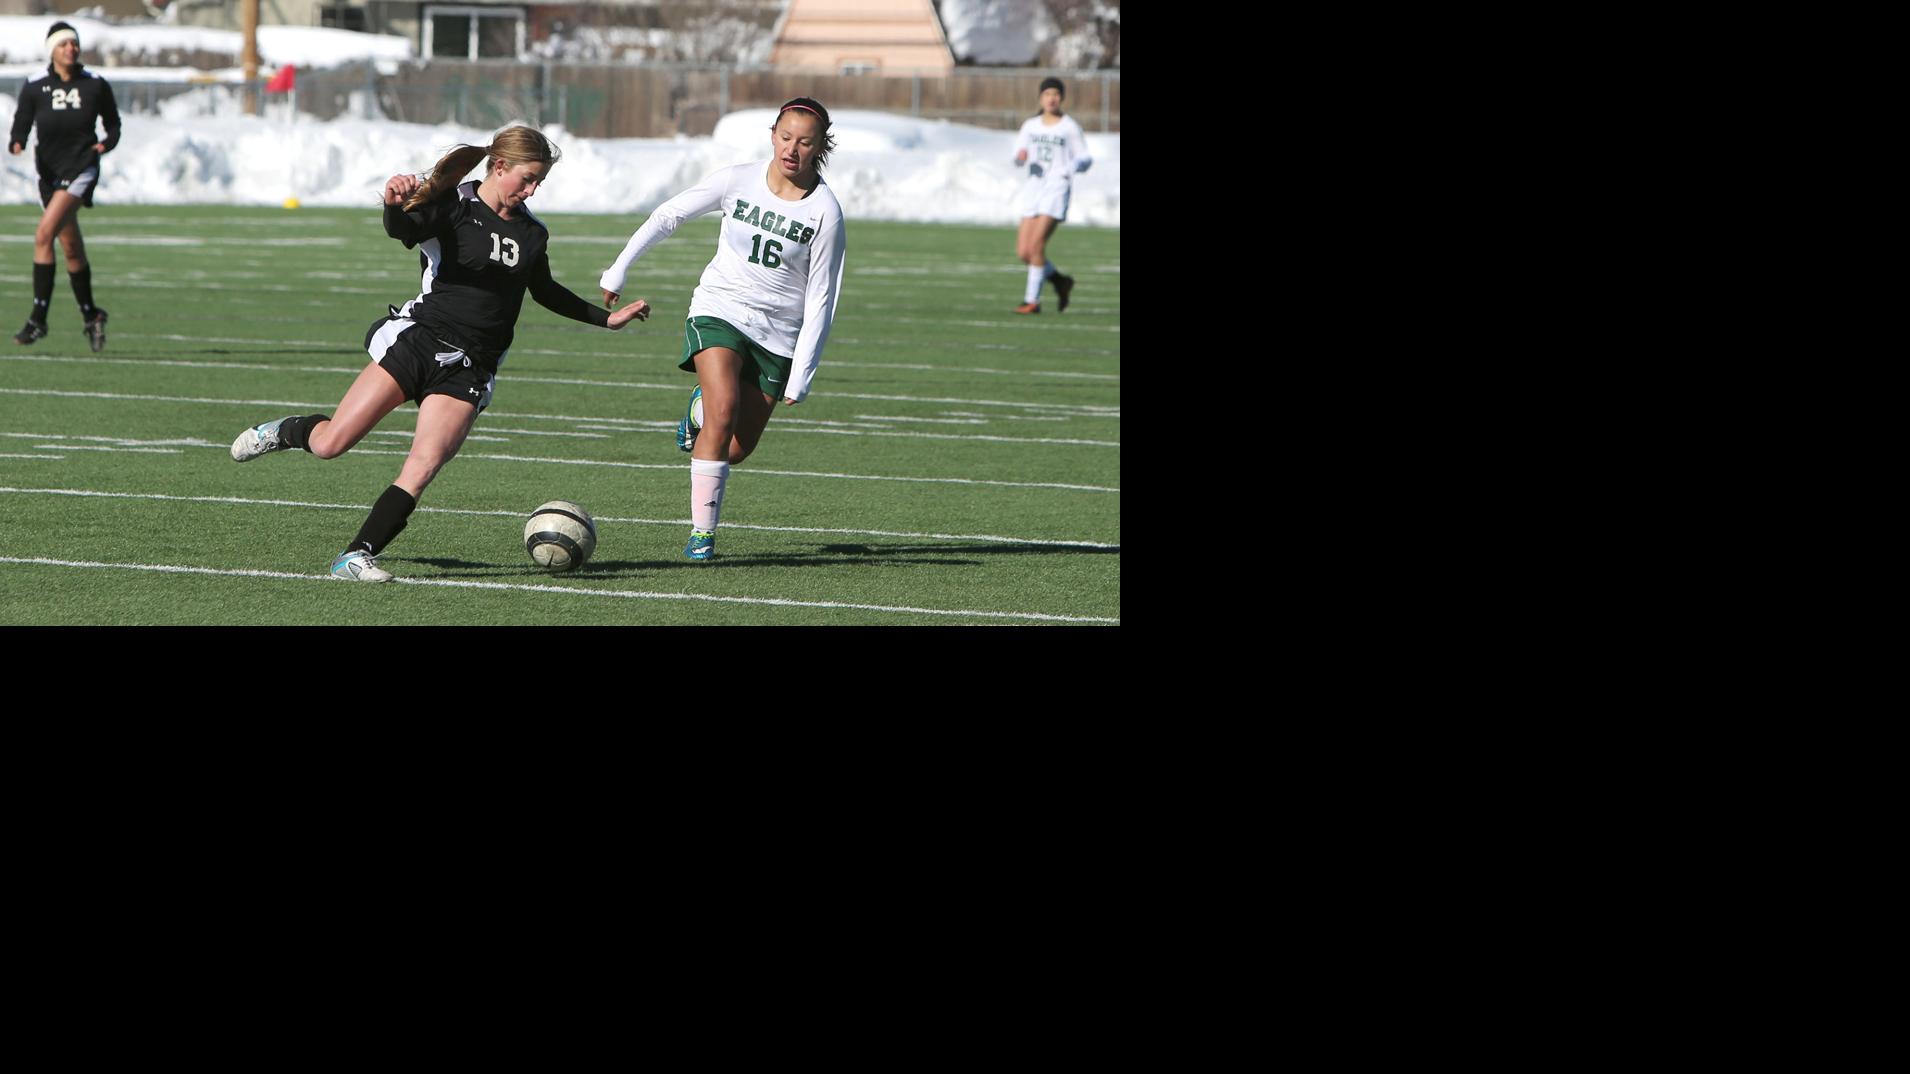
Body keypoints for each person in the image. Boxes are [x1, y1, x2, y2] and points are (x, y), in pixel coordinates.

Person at [227, 125, 652, 583]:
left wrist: (606, 319)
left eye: (539, 183)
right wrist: (393, 203)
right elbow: (403, 230)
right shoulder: (453, 204)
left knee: (424, 464)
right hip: (421, 341)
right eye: (527, 179)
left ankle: (355, 556)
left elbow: (544, 289)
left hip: (473, 365)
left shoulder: (532, 232)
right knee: (331, 444)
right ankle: (283, 431)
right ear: (500, 166)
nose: (531, 191)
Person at [598, 96, 847, 562]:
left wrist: (802, 374)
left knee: (734, 449)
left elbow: (822, 297)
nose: (792, 149)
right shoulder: (738, 179)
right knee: (725, 407)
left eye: (804, 142)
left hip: (778, 333)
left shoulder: (825, 211)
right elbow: (670, 214)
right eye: (785, 137)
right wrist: (619, 268)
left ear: (820, 148)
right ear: (773, 135)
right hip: (720, 308)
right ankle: (702, 534)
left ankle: (698, 414)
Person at [9, 20, 120, 350]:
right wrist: (17, 141)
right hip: (49, 172)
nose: (70, 49)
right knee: (71, 248)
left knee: (44, 234)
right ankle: (92, 315)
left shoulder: (95, 84)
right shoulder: (35, 85)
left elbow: (113, 124)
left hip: (81, 166)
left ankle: (38, 319)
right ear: (51, 50)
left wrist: (105, 144)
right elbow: (22, 122)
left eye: (74, 43)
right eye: (63, 44)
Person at [1011, 76, 1091, 315]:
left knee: (1036, 245)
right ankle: (1060, 281)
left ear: (1062, 98)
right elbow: (1017, 154)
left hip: (1057, 188)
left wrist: (1071, 167)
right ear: (1040, 97)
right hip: (1034, 188)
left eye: (1056, 94)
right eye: (1047, 94)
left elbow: (1085, 157)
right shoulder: (1030, 125)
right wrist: (1021, 157)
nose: (1051, 98)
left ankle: (1032, 301)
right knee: (1024, 252)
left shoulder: (1069, 126)